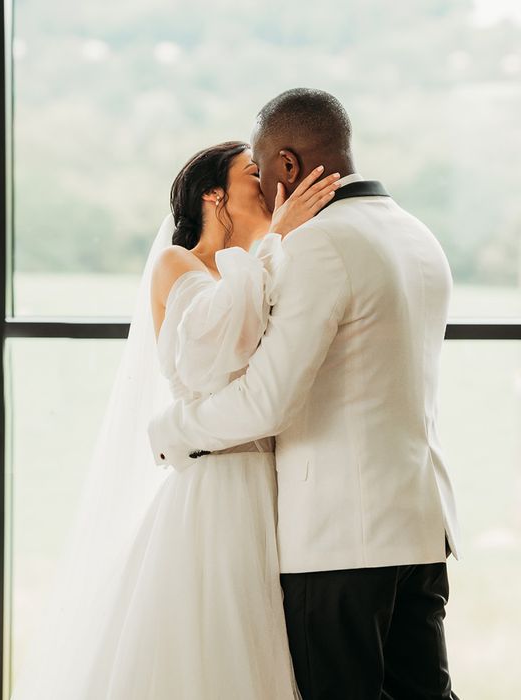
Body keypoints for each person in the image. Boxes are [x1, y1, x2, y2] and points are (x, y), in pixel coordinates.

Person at [149, 88, 462, 700]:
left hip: (341, 537)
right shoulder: (416, 233)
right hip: (419, 527)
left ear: (288, 166)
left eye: (263, 168)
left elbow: (267, 401)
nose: (263, 185)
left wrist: (174, 431)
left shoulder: (318, 244)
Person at [8, 140, 338, 700]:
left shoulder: (262, 266)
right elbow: (218, 351)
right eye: (252, 173)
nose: (266, 185)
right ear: (213, 194)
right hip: (217, 488)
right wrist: (274, 239)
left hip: (275, 486)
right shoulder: (177, 264)